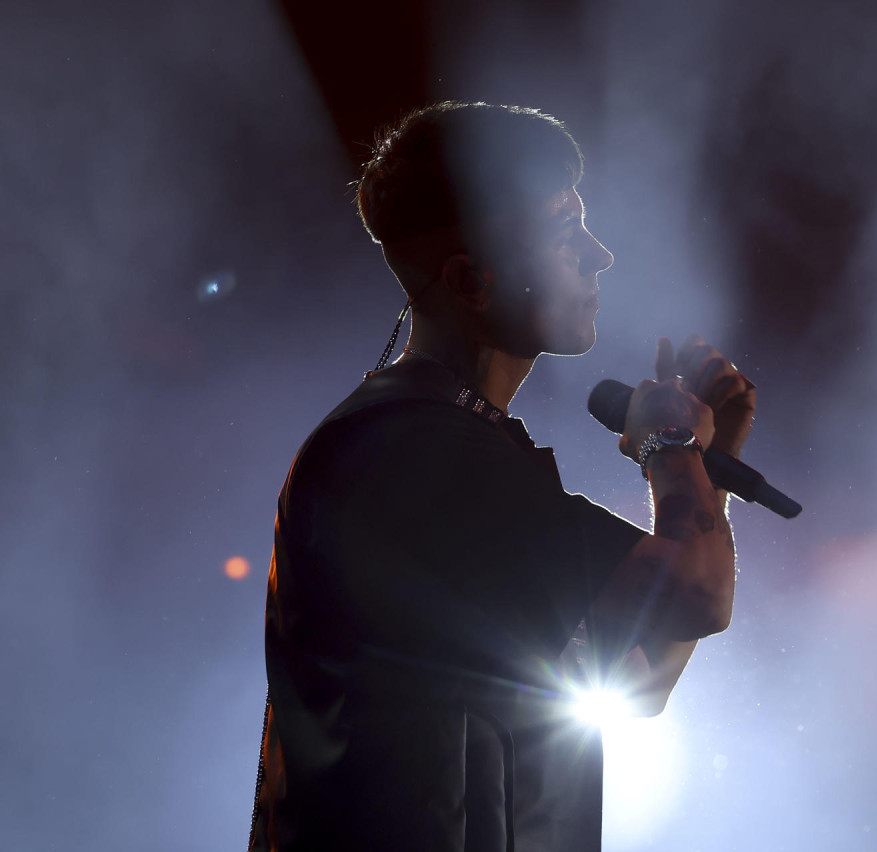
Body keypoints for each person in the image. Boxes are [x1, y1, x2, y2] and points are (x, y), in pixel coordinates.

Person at [249, 101, 755, 852]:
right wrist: (673, 445)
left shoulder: (449, 445)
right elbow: (699, 595)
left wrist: (704, 477)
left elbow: (642, 678)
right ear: (471, 279)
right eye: (563, 231)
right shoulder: (407, 452)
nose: (598, 255)